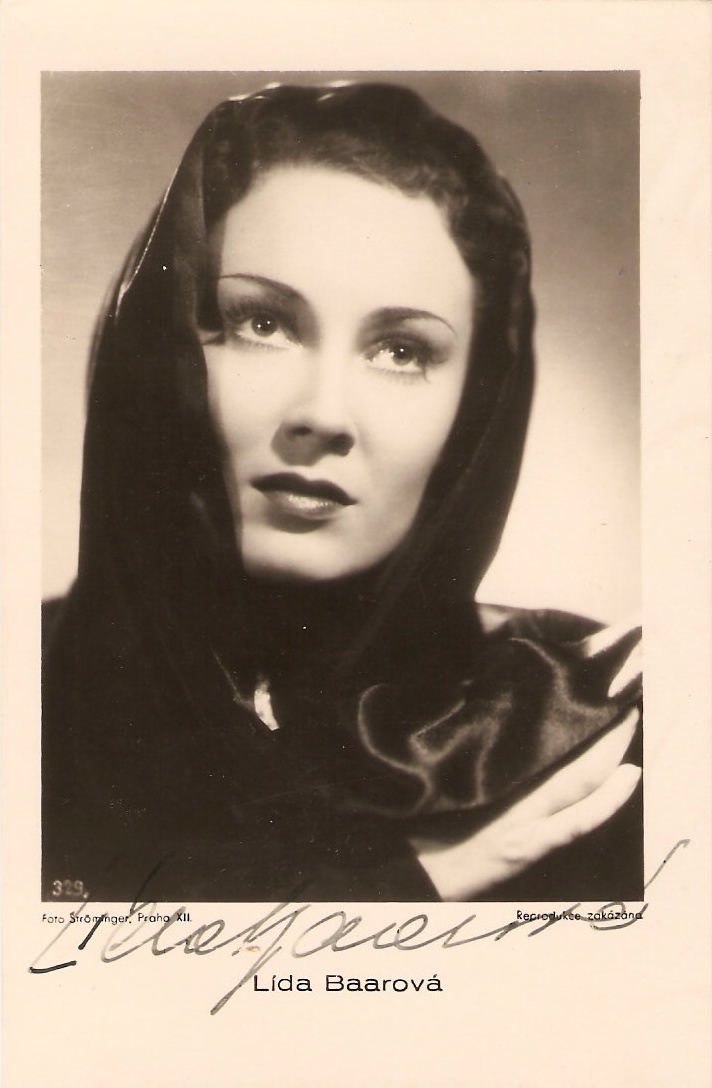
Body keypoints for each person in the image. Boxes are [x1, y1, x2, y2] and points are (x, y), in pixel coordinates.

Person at [42, 82, 642, 904]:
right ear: (160, 344)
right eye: (262, 323)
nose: (322, 415)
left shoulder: (575, 721)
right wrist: (401, 890)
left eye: (401, 350)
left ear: (476, 412)